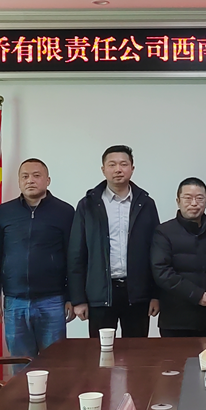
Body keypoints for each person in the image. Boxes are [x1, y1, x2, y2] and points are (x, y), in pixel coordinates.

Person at [0, 159, 75, 364]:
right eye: (25, 176)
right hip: (15, 301)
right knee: (21, 364)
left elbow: (73, 258)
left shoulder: (65, 212)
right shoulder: (5, 212)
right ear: (19, 181)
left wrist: (72, 297)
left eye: (36, 175)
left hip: (53, 301)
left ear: (48, 180)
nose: (30, 180)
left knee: (56, 363)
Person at [68, 145, 160, 338]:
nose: (118, 169)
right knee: (100, 350)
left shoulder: (146, 204)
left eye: (123, 164)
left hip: (137, 293)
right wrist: (78, 299)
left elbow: (156, 252)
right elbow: (77, 253)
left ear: (132, 168)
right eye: (112, 164)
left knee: (136, 351)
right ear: (103, 169)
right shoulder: (88, 204)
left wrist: (155, 295)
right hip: (100, 292)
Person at [151, 177, 206, 337]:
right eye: (188, 198)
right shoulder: (164, 232)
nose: (194, 203)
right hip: (175, 319)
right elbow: (162, 272)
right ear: (178, 201)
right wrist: (196, 295)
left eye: (199, 198)